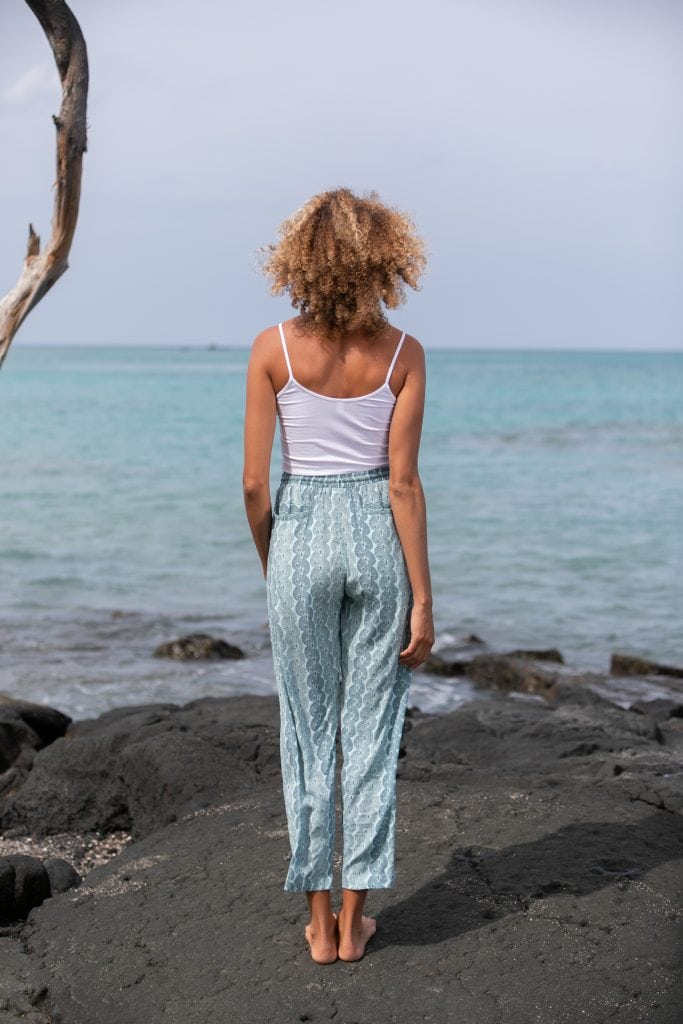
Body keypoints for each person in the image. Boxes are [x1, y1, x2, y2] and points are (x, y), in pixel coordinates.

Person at [242, 187, 434, 964]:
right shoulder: (403, 353)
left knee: (307, 728)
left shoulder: (272, 350)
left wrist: (275, 562)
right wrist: (422, 598)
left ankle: (319, 928)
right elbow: (403, 485)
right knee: (370, 730)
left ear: (299, 258)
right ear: (384, 259)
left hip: (301, 530)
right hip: (377, 539)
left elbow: (255, 486)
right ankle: (357, 922)